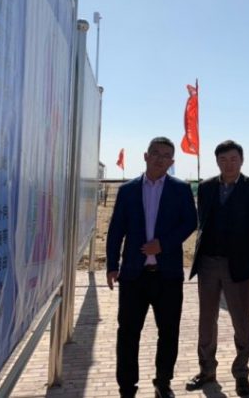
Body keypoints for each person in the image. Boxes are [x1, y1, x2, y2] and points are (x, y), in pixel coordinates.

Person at [106, 136, 198, 398]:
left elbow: (190, 222)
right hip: (133, 275)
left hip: (167, 276)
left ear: (172, 161)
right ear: (146, 156)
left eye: (166, 155)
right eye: (155, 153)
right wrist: (112, 265)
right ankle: (126, 387)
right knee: (128, 333)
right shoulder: (128, 190)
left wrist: (163, 244)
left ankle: (163, 382)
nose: (160, 159)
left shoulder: (180, 189)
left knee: (168, 332)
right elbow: (116, 229)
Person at [186, 140, 249, 397]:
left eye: (233, 159)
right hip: (208, 263)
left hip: (239, 265)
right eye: (223, 159)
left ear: (241, 160)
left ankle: (241, 373)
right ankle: (206, 369)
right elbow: (202, 221)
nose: (229, 164)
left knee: (241, 321)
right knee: (206, 320)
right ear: (217, 162)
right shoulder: (207, 187)